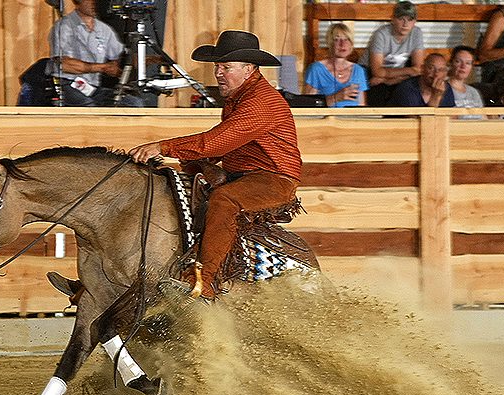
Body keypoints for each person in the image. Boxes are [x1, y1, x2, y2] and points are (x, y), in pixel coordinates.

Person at [126, 30, 302, 300]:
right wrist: (196, 160)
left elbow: (217, 142)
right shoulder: (239, 97)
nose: (219, 73)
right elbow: (222, 144)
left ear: (249, 69)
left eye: (226, 67)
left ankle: (205, 280)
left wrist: (163, 147)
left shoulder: (261, 102)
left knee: (224, 200)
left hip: (274, 179)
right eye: (217, 67)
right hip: (241, 173)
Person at [46, 0, 143, 107]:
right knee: (89, 108)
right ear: (78, 2)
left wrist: (153, 59)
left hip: (92, 88)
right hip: (66, 84)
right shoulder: (63, 26)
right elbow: (64, 65)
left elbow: (122, 56)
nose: (94, 4)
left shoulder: (104, 29)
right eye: (89, 0)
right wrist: (103, 67)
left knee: (133, 103)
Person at [359, 1, 425, 106]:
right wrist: (410, 71)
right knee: (377, 93)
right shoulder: (381, 34)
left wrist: (388, 80)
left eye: (409, 20)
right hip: (369, 72)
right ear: (393, 19)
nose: (405, 24)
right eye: (401, 19)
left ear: (415, 22)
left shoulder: (417, 33)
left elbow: (418, 69)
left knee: (410, 90)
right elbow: (376, 71)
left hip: (389, 77)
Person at [303, 23, 369, 107]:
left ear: (351, 44)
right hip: (328, 118)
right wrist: (336, 97)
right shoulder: (316, 69)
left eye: (347, 39)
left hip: (353, 118)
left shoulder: (358, 70)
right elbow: (308, 105)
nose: (342, 44)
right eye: (337, 39)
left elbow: (362, 105)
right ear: (330, 43)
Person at [389, 53, 455, 107]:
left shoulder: (446, 87)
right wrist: (436, 96)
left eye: (441, 70)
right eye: (431, 68)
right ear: (422, 69)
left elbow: (452, 117)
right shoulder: (407, 88)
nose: (436, 74)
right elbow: (419, 121)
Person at [448, 45, 485, 119]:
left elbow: (483, 118)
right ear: (451, 63)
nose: (463, 66)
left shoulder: (473, 92)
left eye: (468, 63)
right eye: (458, 61)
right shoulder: (442, 89)